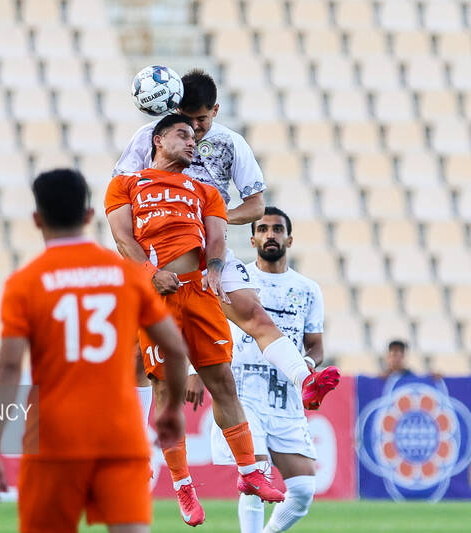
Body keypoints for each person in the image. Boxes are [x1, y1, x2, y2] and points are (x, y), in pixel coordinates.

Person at [115, 69, 338, 433]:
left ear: (215, 111)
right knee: (139, 358)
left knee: (254, 314)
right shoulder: (150, 137)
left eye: (201, 120)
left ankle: (304, 379)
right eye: (186, 120)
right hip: (157, 257)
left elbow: (256, 205)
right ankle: (134, 449)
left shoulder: (231, 143)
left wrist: (214, 218)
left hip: (209, 252)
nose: (193, 129)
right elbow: (121, 196)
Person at [0, 169, 190, 533]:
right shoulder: (127, 275)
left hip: (55, 437)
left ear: (37, 219)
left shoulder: (24, 284)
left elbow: (8, 367)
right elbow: (173, 346)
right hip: (120, 434)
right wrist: (170, 409)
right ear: (89, 215)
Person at [106, 114, 285, 527]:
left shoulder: (205, 191)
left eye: (194, 136)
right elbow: (122, 239)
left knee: (223, 383)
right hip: (157, 296)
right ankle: (183, 486)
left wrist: (217, 271)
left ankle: (249, 472)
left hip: (200, 293)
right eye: (182, 134)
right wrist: (151, 274)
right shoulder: (125, 185)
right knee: (165, 392)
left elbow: (217, 238)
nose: (192, 142)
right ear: (158, 139)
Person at [207, 207, 335, 533]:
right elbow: (210, 327)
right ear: (252, 240)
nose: (270, 235)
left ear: (289, 239)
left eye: (277, 229)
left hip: (286, 394)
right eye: (263, 229)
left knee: (303, 491)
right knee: (256, 474)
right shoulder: (236, 280)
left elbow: (316, 346)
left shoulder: (308, 289)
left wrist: (307, 367)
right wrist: (196, 372)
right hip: (244, 388)